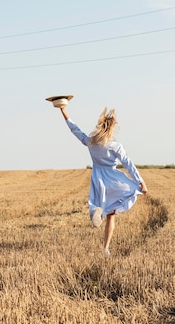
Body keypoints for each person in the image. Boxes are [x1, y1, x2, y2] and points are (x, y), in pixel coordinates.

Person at [58, 104, 148, 256]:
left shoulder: (91, 142)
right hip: (114, 180)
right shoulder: (115, 146)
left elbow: (75, 130)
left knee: (96, 202)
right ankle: (105, 248)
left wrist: (63, 111)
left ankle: (96, 212)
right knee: (114, 211)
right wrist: (141, 182)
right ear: (113, 128)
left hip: (98, 178)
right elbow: (128, 163)